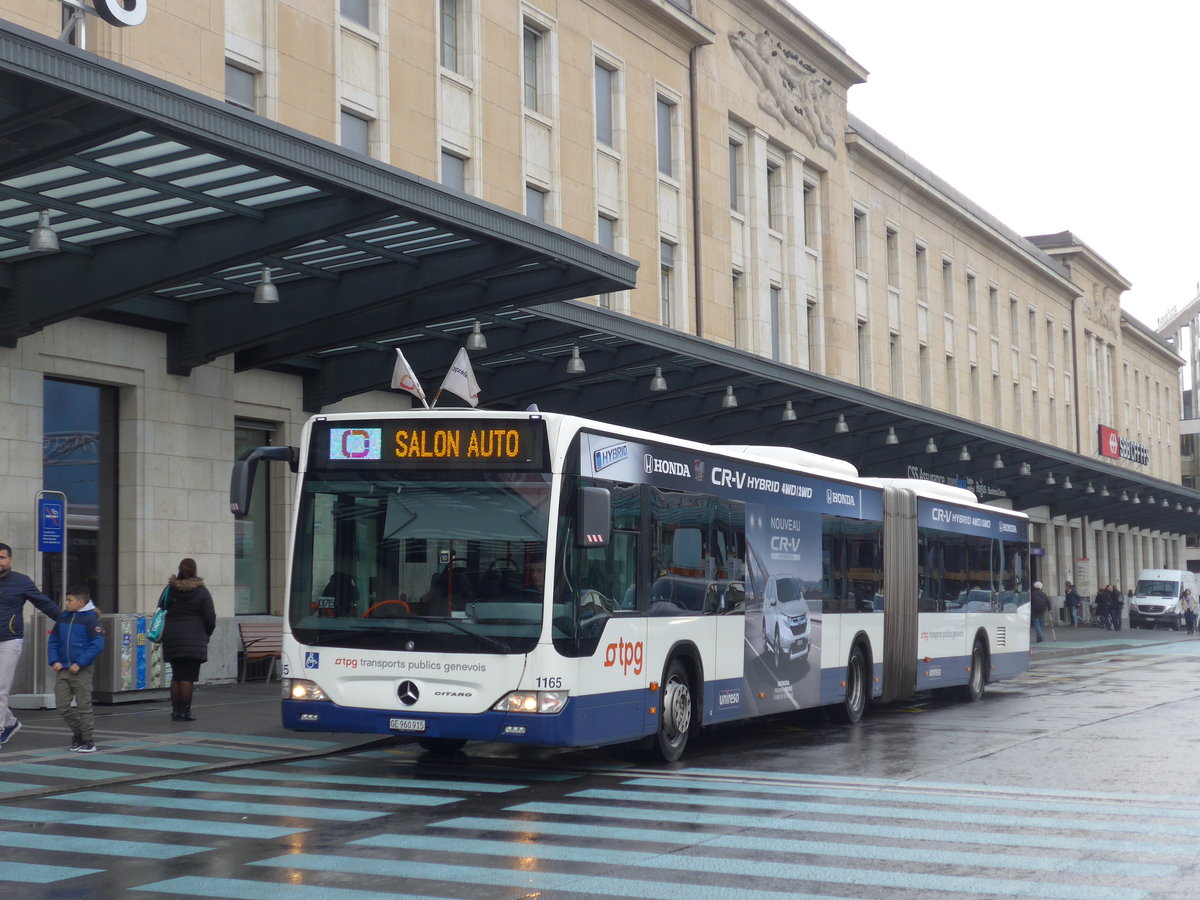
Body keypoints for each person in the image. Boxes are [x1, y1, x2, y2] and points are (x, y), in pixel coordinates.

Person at [0, 543, 62, 750]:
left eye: (2, 557)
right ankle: (10, 722)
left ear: (10, 559)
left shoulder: (21, 581)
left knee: (0, 688)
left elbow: (44, 603)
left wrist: (68, 622)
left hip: (9, 641)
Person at [48, 585, 104, 752]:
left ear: (81, 602)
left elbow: (97, 644)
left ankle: (88, 740)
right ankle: (79, 734)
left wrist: (80, 663)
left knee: (83, 706)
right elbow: (53, 641)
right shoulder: (63, 619)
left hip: (81, 670)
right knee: (62, 706)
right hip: (63, 669)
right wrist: (54, 660)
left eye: (69, 600)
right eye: (66, 600)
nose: (66, 603)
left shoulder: (91, 620)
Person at [161, 558, 216, 722]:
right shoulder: (202, 591)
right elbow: (210, 618)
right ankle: (185, 711)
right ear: (195, 571)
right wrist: (206, 634)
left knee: (176, 676)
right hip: (193, 639)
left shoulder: (170, 589)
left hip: (172, 637)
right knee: (187, 677)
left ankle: (175, 711)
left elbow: (161, 608)